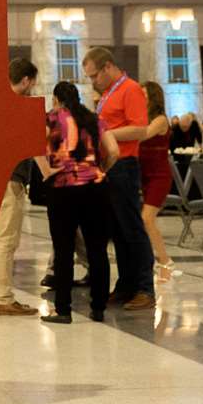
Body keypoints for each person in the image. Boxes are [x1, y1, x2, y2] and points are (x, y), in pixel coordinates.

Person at [82, 47, 155, 311]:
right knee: (118, 231)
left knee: (133, 229)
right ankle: (126, 285)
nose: (93, 82)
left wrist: (107, 134)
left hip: (124, 165)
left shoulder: (131, 89)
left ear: (108, 67)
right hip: (110, 166)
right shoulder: (108, 94)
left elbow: (140, 128)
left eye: (94, 76)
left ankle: (145, 288)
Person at [39, 82, 118, 324]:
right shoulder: (94, 119)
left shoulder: (49, 119)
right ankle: (99, 308)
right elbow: (114, 150)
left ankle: (63, 310)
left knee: (63, 250)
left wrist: (48, 171)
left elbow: (36, 148)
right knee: (97, 249)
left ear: (56, 99)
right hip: (95, 188)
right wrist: (99, 169)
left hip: (62, 189)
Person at [0, 58, 38, 316]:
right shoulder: (20, 106)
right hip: (11, 179)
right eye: (32, 82)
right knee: (6, 239)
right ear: (25, 80)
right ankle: (4, 297)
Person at [139, 82, 176, 282]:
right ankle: (154, 263)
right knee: (144, 221)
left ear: (153, 98)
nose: (140, 98)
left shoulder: (161, 120)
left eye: (143, 94)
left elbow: (142, 134)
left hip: (159, 176)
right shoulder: (142, 117)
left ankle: (165, 262)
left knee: (147, 218)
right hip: (144, 174)